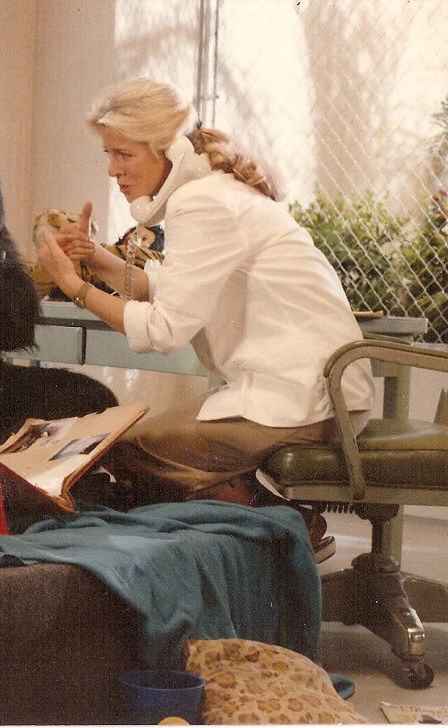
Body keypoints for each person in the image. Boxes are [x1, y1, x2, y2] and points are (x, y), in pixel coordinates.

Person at [35, 78, 375, 562]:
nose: (113, 170)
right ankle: (272, 528)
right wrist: (97, 259)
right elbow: (175, 290)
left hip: (304, 399)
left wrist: (74, 286)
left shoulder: (201, 202)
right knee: (130, 449)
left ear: (165, 148)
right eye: (109, 154)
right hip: (314, 391)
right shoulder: (212, 190)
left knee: (126, 451)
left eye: (124, 155)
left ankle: (290, 529)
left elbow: (164, 330)